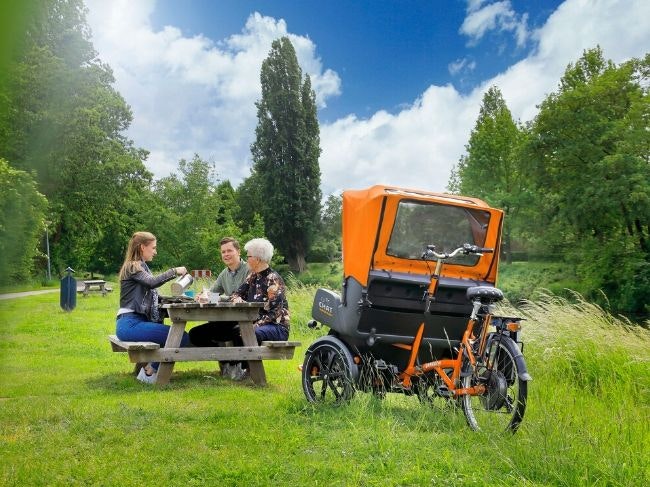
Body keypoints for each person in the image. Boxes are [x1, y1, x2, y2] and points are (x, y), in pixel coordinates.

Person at [116, 231, 190, 384]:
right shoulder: (133, 266)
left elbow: (152, 292)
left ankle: (148, 371)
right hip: (130, 324)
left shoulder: (141, 267)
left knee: (177, 336)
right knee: (180, 337)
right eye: (153, 248)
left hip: (134, 323)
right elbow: (152, 282)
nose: (155, 252)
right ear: (143, 247)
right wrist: (174, 271)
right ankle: (149, 372)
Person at [229, 237, 290, 380]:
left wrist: (254, 325)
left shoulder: (273, 279)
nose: (246, 259)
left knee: (249, 332)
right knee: (234, 331)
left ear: (257, 259)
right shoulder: (252, 276)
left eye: (248, 256)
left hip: (276, 327)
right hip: (258, 324)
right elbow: (235, 293)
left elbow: (275, 313)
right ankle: (240, 369)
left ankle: (251, 372)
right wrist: (237, 298)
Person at [188, 237, 249, 348]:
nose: (226, 254)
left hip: (247, 319)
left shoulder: (249, 270)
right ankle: (226, 360)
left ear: (238, 252)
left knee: (232, 334)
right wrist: (202, 296)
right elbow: (211, 293)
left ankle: (232, 362)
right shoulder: (224, 273)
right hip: (228, 318)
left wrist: (217, 298)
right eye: (223, 252)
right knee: (195, 335)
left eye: (229, 251)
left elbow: (246, 298)